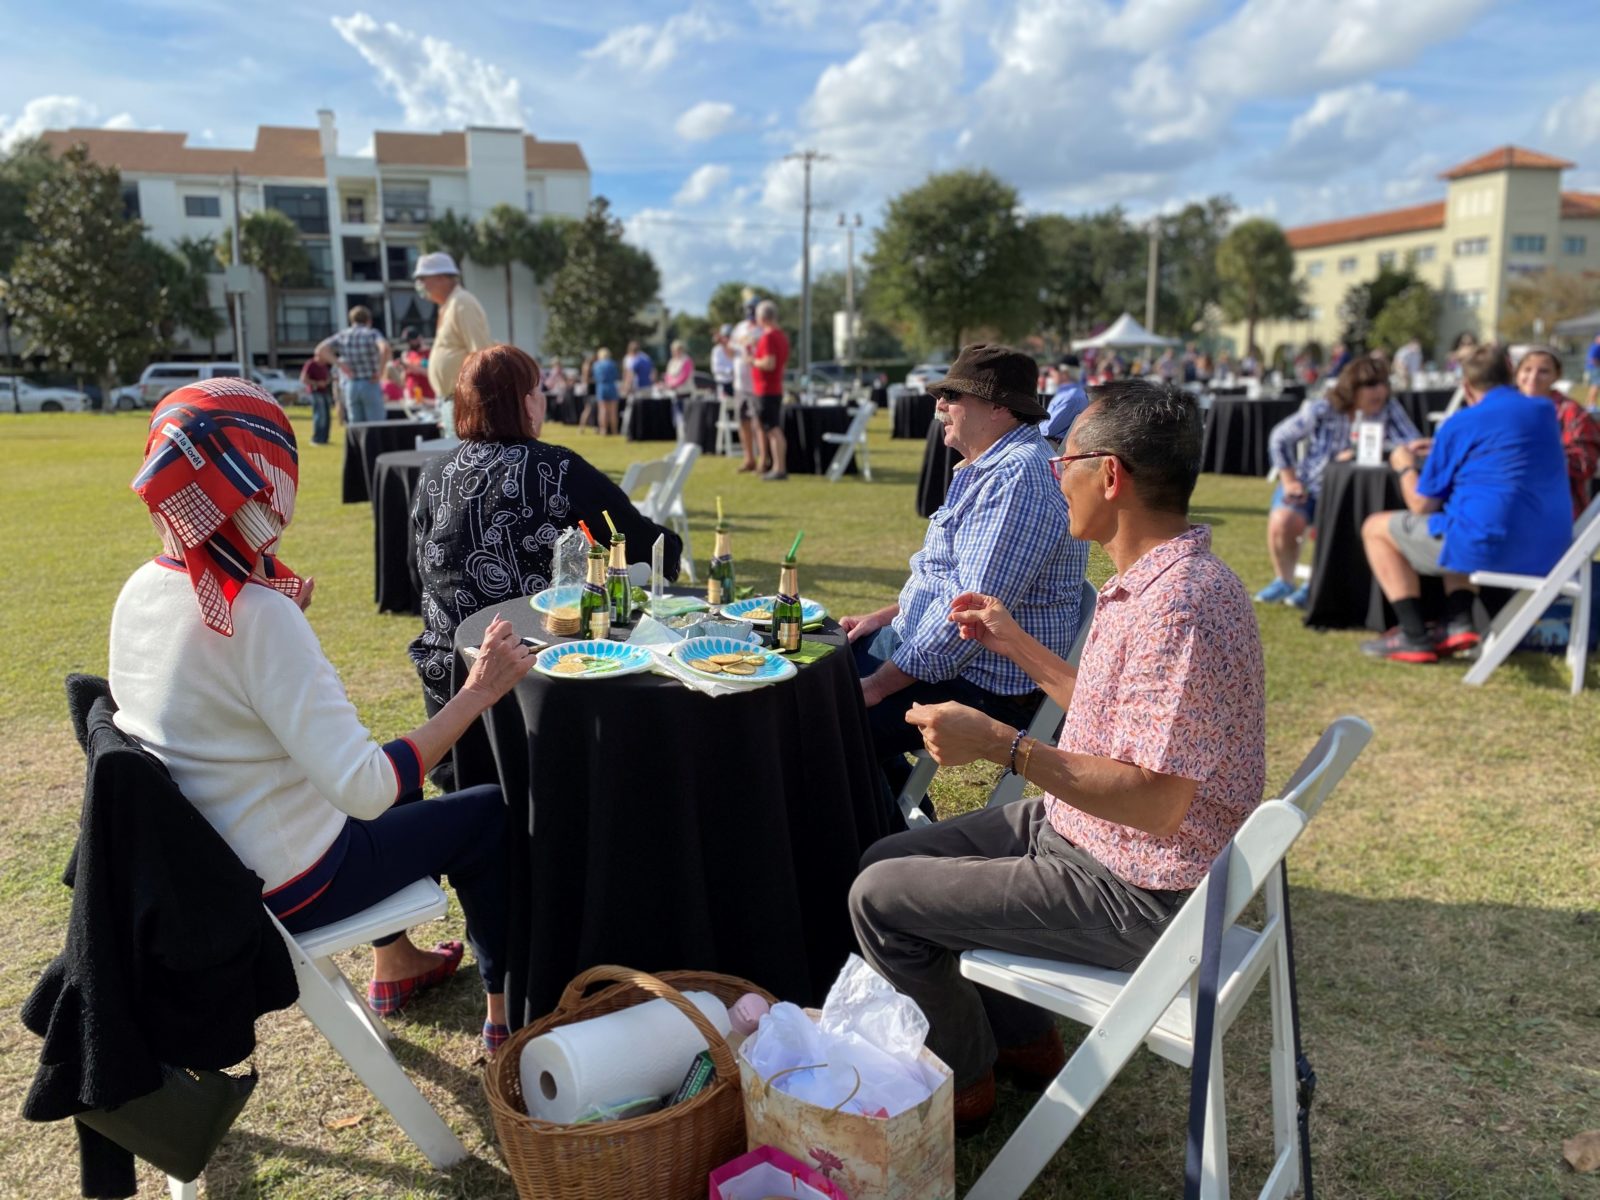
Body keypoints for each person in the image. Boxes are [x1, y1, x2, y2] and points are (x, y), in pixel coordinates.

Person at [849, 378, 1264, 1133]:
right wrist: (1013, 642)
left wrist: (1001, 746)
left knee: (879, 899)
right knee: (882, 856)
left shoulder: (1179, 608)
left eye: (1062, 460)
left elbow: (1154, 799)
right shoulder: (1159, 580)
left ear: (1110, 476)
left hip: (1135, 887)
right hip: (1089, 836)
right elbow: (1116, 716)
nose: (1050, 473)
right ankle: (1025, 1041)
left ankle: (966, 1083)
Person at [109, 379, 529, 1055]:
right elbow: (364, 787)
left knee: (408, 773)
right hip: (288, 881)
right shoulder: (255, 614)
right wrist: (478, 692)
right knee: (482, 814)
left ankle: (396, 964)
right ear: (267, 486)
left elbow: (217, 698)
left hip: (210, 863)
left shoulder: (142, 589)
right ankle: (506, 1016)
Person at [840, 344, 1087, 819]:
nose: (939, 405)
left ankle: (880, 849)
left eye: (953, 395)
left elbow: (969, 618)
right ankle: (891, 819)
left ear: (998, 407)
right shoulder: (994, 466)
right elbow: (954, 579)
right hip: (953, 660)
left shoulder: (1017, 478)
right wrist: (889, 615)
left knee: (823, 719)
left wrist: (878, 686)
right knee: (818, 676)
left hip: (985, 680)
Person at [410, 345, 681, 711]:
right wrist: (672, 551)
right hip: (532, 685)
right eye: (539, 391)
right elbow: (643, 544)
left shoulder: (433, 472)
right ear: (525, 403)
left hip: (449, 676)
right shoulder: (556, 469)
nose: (544, 402)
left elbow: (418, 572)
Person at [1359, 344, 1571, 662]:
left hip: (1493, 548)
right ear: (1511, 375)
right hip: (1553, 549)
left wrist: (1404, 464)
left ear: (1466, 387)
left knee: (1375, 528)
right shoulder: (1543, 412)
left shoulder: (1458, 424)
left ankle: (1413, 634)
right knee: (1459, 511)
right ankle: (1458, 622)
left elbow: (1420, 504)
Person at [1257, 354, 1423, 608]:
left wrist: (1375, 449)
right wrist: (1289, 480)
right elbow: (1279, 437)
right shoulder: (1323, 409)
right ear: (1352, 389)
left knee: (1337, 527)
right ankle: (1284, 580)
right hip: (1311, 485)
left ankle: (1315, 585)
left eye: (1382, 384)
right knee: (1283, 520)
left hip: (1351, 494)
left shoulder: (1389, 409)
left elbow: (1412, 443)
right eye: (1370, 385)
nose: (1379, 391)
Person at [414, 251, 492, 438]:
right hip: (452, 400)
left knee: (464, 462)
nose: (421, 285)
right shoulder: (449, 305)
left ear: (441, 277)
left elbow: (480, 354)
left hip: (463, 402)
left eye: (424, 279)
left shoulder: (462, 302)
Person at [1516, 345, 1599, 519]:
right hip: (1510, 508)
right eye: (1527, 369)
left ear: (1557, 375)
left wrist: (1534, 458)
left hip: (1556, 509)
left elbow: (1585, 462)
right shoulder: (1503, 408)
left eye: (1543, 371)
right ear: (1517, 373)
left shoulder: (1571, 412)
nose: (1533, 377)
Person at [316, 305, 390, 424]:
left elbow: (320, 350)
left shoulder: (343, 335)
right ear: (369, 320)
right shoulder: (372, 334)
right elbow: (384, 348)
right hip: (370, 382)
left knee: (356, 426)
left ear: (351, 320)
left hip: (351, 384)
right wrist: (380, 371)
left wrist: (339, 364)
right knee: (376, 424)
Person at [751, 299, 791, 481]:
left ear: (762, 317)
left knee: (773, 430)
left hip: (766, 389)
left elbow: (769, 363)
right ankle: (777, 466)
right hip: (774, 388)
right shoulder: (781, 335)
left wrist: (752, 361)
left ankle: (778, 467)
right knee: (772, 428)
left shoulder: (768, 337)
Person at [732, 294, 767, 473]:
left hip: (756, 384)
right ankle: (748, 458)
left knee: (758, 424)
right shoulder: (740, 328)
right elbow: (732, 350)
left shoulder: (763, 330)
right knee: (743, 422)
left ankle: (763, 459)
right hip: (740, 384)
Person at [1042, 354, 1088, 443]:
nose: (1051, 373)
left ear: (1064, 372)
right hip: (1052, 444)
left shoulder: (1070, 396)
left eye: (1054, 369)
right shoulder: (1071, 393)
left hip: (1052, 445)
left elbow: (1048, 430)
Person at [299, 352, 335, 445]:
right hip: (315, 392)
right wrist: (317, 383)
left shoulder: (324, 366)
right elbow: (303, 379)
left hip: (324, 392)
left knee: (327, 416)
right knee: (320, 415)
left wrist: (327, 381)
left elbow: (328, 377)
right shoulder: (310, 364)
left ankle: (324, 439)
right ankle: (317, 439)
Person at [592, 346, 621, 436]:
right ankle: (614, 430)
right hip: (611, 386)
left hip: (601, 386)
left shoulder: (596, 365)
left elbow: (595, 377)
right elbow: (616, 375)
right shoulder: (612, 364)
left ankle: (603, 430)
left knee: (603, 410)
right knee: (613, 411)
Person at [400, 327, 435, 401]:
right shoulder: (406, 354)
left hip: (428, 397)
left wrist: (410, 366)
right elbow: (404, 376)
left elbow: (430, 373)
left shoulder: (430, 353)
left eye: (410, 340)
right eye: (407, 340)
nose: (409, 342)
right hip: (412, 394)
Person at [1587, 334, 1600, 407]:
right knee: (1595, 386)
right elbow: (1592, 360)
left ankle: (1591, 404)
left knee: (1595, 386)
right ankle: (1591, 405)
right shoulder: (1595, 347)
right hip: (1595, 369)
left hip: (1596, 369)